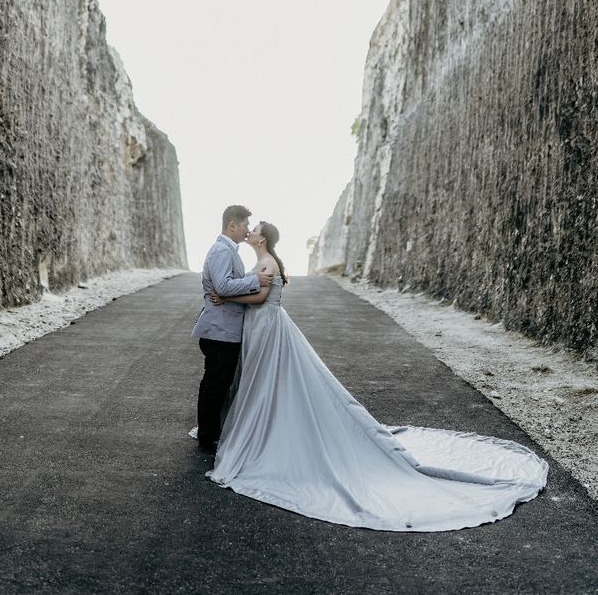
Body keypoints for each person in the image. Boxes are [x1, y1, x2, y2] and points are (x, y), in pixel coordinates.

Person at [204, 221, 548, 532]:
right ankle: (260, 423)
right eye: (247, 227)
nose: (249, 231)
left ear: (262, 237)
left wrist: (229, 298)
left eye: (253, 228)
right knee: (262, 380)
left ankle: (265, 428)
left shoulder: (268, 263)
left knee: (271, 380)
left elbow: (262, 296)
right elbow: (254, 291)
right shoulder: (262, 261)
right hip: (261, 327)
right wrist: (232, 295)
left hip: (267, 325)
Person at [191, 205, 274, 452]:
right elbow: (223, 287)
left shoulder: (228, 250)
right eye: (246, 225)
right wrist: (255, 281)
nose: (248, 230)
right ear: (233, 225)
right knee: (215, 385)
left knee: (216, 384)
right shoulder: (221, 251)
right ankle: (208, 437)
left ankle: (210, 432)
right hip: (220, 331)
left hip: (223, 330)